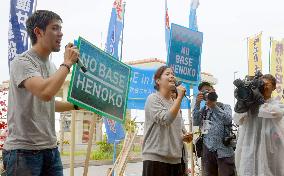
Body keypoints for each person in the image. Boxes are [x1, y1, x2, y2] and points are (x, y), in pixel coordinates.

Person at [3, 10, 80, 176]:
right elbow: (45, 92)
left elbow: (49, 102)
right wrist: (67, 63)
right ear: (38, 32)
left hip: (50, 150)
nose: (61, 34)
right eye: (55, 28)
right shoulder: (22, 62)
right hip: (23, 152)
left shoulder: (52, 67)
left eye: (61, 29)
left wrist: (76, 105)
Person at [142, 66, 192, 176]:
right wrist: (179, 98)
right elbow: (166, 119)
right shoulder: (153, 99)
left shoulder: (174, 103)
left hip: (175, 160)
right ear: (158, 81)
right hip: (155, 159)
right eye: (167, 74)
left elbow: (175, 129)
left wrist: (185, 136)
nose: (172, 76)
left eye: (173, 74)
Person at [234, 74, 284, 176]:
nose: (263, 87)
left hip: (269, 151)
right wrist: (242, 102)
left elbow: (271, 112)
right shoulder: (249, 105)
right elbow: (237, 120)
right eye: (261, 85)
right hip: (249, 149)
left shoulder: (277, 105)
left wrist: (259, 101)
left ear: (274, 87)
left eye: (267, 84)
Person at [193, 82, 236, 176]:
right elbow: (195, 122)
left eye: (208, 90)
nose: (206, 93)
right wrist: (197, 103)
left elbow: (228, 120)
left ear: (214, 91)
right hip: (207, 150)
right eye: (203, 92)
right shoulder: (203, 110)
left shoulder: (225, 106)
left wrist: (214, 106)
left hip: (224, 150)